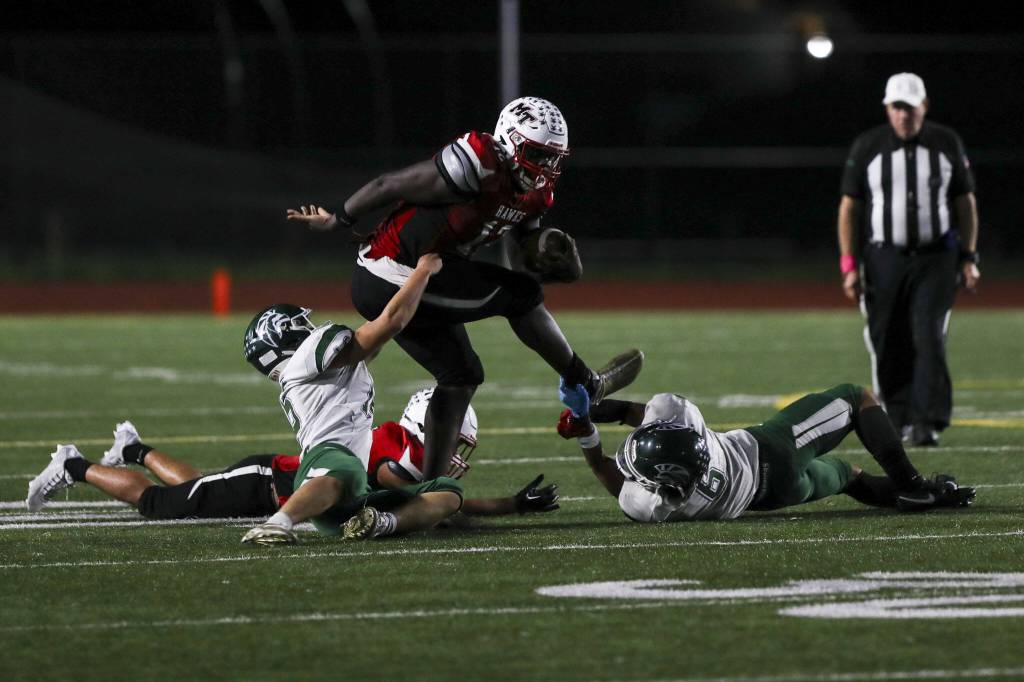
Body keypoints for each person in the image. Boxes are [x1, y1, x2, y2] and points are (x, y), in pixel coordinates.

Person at [285, 96, 643, 481]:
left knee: (461, 375)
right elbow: (389, 184)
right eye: (538, 154)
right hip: (390, 273)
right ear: (510, 140)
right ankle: (584, 380)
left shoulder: (536, 189)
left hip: (425, 273)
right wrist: (338, 218)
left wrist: (549, 250)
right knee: (518, 295)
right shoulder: (477, 162)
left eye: (554, 157)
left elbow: (525, 257)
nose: (546, 166)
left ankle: (432, 489)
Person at [24, 404, 559, 519]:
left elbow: (439, 504)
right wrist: (505, 504)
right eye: (454, 441)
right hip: (271, 483)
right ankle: (74, 466)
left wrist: (512, 503)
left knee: (201, 486)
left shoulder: (409, 452)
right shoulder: (394, 454)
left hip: (278, 486)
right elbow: (423, 500)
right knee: (160, 504)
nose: (457, 454)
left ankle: (134, 449)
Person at [555, 381, 975, 523]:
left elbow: (610, 477)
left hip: (774, 496)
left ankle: (937, 495)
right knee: (856, 397)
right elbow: (638, 411)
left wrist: (587, 433)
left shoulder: (659, 505)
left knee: (852, 476)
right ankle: (915, 486)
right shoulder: (681, 414)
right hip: (772, 449)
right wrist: (596, 410)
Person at [837, 72, 980, 447]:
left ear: (924, 107)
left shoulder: (946, 143)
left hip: (935, 258)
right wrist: (849, 265)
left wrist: (968, 256)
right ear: (887, 108)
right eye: (897, 107)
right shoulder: (868, 146)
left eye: (910, 107)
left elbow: (966, 203)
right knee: (888, 338)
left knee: (929, 335)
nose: (904, 115)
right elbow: (850, 207)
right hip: (885, 258)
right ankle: (897, 416)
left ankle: (927, 420)